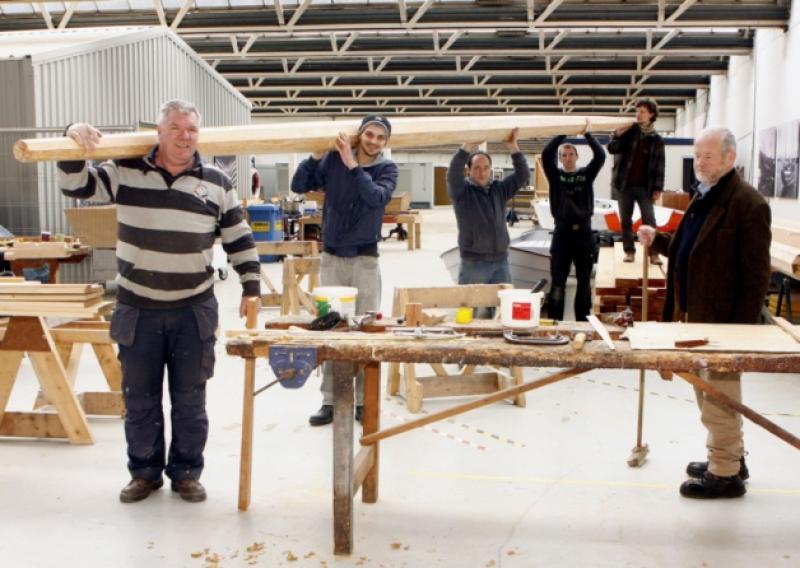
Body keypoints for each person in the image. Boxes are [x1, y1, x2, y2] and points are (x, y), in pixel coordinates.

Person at [58, 100, 262, 503]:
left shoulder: (217, 181)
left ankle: (186, 472)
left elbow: (239, 237)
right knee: (140, 399)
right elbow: (76, 185)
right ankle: (145, 474)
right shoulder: (126, 171)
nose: (185, 136)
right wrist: (72, 136)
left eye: (191, 129)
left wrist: (251, 286)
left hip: (193, 308)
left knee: (190, 399)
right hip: (138, 308)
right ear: (159, 130)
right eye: (176, 128)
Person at [638, 128, 771, 499]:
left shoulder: (748, 203)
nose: (700, 162)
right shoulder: (704, 195)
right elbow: (693, 250)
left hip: (724, 324)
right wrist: (659, 240)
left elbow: (757, 275)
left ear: (729, 158)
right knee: (708, 393)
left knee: (718, 396)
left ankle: (725, 473)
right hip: (695, 313)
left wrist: (740, 334)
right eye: (697, 156)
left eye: (708, 156)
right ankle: (731, 456)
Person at [291, 115, 398, 426]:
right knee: (330, 327)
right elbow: (299, 185)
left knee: (365, 329)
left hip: (365, 259)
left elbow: (377, 197)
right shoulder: (334, 162)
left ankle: (364, 402)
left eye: (380, 137)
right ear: (360, 134)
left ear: (385, 143)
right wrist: (315, 156)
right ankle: (331, 400)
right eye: (369, 134)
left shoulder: (387, 170)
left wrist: (354, 165)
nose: (374, 141)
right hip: (333, 256)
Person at [448, 128, 529, 317]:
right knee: (468, 310)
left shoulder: (499, 190)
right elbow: (452, 174)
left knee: (503, 310)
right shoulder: (462, 192)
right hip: (474, 262)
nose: (481, 172)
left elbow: (522, 175)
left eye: (485, 168)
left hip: (501, 261)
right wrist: (465, 148)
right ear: (468, 170)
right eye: (476, 168)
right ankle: (465, 341)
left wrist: (513, 147)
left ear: (490, 169)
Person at [541, 121, 606, 321]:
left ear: (577, 157)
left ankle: (583, 324)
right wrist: (563, 132)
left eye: (571, 154)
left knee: (584, 282)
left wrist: (587, 134)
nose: (568, 158)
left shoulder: (586, 175)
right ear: (560, 159)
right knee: (558, 282)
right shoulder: (555, 176)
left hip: (584, 234)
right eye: (564, 155)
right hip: (562, 234)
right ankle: (555, 324)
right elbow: (546, 154)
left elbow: (601, 156)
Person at [608, 97, 665, 264]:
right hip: (624, 185)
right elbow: (612, 148)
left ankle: (653, 253)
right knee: (625, 220)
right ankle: (629, 251)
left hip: (645, 187)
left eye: (642, 112)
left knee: (650, 220)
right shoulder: (629, 131)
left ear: (651, 114)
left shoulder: (657, 139)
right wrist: (617, 135)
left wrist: (658, 188)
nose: (638, 115)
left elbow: (660, 166)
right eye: (637, 111)